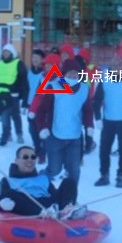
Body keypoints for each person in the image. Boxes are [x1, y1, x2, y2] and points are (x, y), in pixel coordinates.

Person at [33, 56, 93, 185]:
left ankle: (70, 200)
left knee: (74, 172)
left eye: (75, 73)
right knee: (54, 170)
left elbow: (87, 110)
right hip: (55, 135)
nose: (73, 76)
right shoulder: (53, 87)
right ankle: (37, 185)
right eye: (69, 73)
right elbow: (41, 110)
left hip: (74, 137)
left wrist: (89, 127)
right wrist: (42, 127)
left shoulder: (83, 89)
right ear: (63, 74)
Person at [0, 145, 84, 218]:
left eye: (33, 157)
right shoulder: (8, 180)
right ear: (16, 160)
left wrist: (64, 199)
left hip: (48, 205)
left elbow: (55, 195)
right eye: (25, 157)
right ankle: (43, 212)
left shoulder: (43, 179)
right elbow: (1, 198)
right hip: (26, 206)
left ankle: (66, 210)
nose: (30, 160)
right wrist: (1, 204)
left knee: (69, 182)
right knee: (13, 194)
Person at [93, 70, 122, 188]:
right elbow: (97, 100)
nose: (116, 68)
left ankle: (121, 174)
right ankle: (104, 174)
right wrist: (98, 117)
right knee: (104, 149)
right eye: (114, 66)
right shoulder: (104, 80)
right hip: (108, 120)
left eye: (119, 65)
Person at [0, 43, 27, 145]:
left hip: (13, 94)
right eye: (4, 52)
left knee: (15, 115)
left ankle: (19, 134)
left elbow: (23, 80)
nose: (5, 54)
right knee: (4, 115)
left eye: (7, 52)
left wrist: (22, 95)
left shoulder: (18, 63)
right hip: (2, 94)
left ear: (12, 53)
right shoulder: (0, 63)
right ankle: (7, 134)